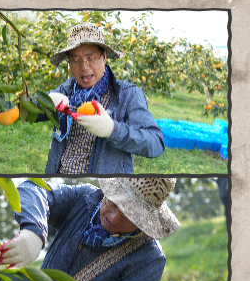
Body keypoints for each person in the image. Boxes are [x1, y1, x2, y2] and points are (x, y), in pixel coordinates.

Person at [0, 178, 180, 281]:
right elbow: (32, 188)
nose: (114, 218)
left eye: (128, 216)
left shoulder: (148, 259)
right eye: (113, 204)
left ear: (144, 220)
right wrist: (34, 231)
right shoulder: (85, 200)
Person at [42, 22, 164, 174]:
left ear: (104, 57)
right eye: (75, 60)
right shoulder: (67, 89)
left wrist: (112, 130)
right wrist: (46, 101)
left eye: (91, 58)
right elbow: (32, 113)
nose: (84, 67)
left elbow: (155, 143)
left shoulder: (127, 95)